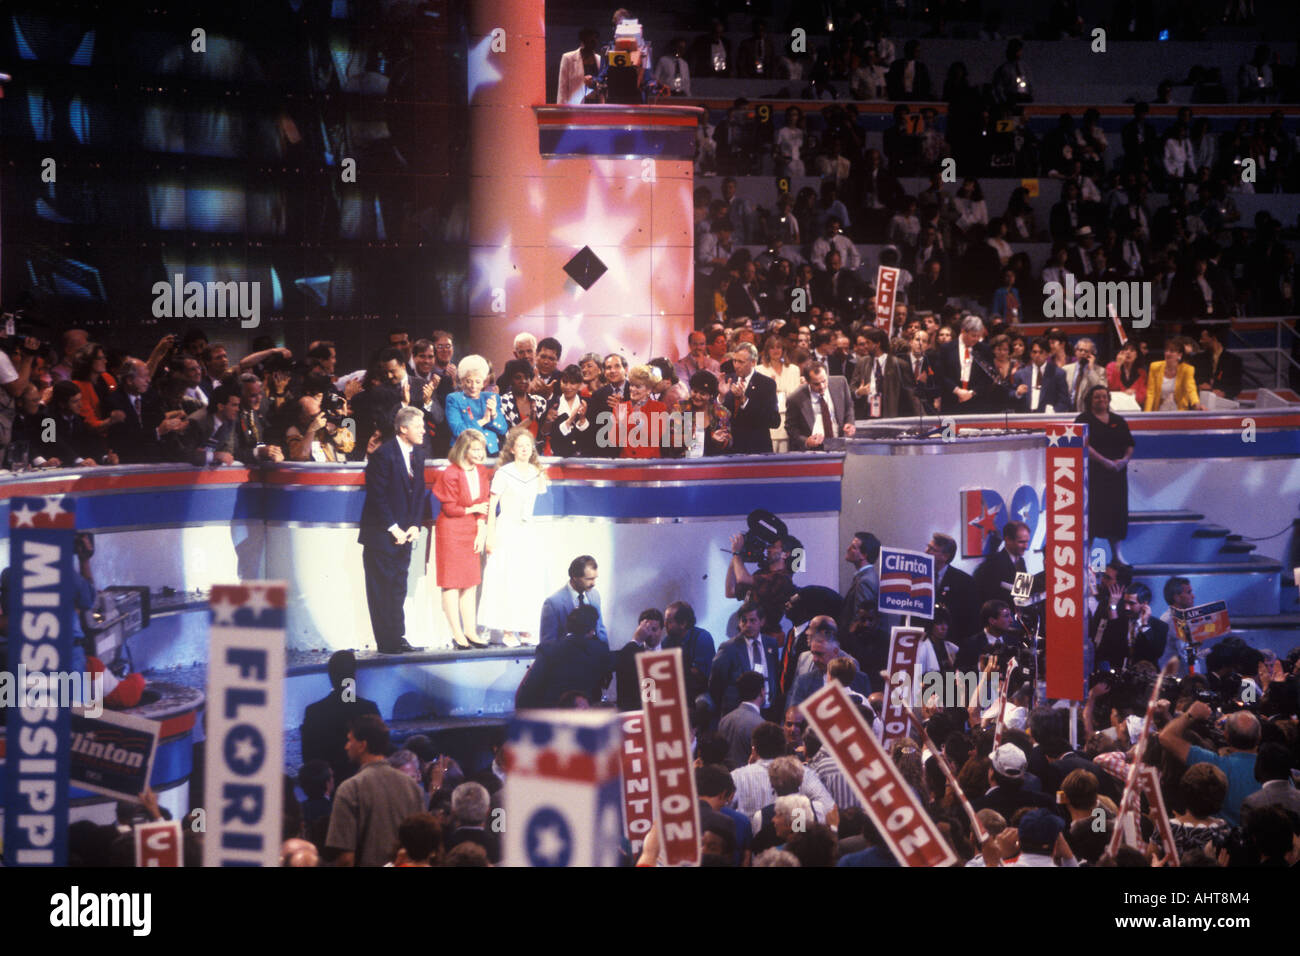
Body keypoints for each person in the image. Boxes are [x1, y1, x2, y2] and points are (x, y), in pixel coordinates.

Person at [357, 406, 431, 655]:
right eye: (419, 426)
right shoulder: (383, 455)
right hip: (381, 534)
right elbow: (377, 496)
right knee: (382, 588)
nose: (423, 430)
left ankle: (397, 638)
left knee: (398, 586)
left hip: (405, 533)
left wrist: (414, 525)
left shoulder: (417, 455)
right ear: (403, 428)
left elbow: (418, 492)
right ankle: (386, 643)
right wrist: (393, 528)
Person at [478, 426, 549, 647]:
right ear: (512, 449)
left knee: (526, 579)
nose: (525, 450)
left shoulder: (538, 474)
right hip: (506, 529)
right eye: (520, 446)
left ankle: (525, 628)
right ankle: (507, 629)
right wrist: (490, 536)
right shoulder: (503, 473)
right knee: (506, 578)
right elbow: (492, 507)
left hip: (527, 531)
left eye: (528, 446)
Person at [325, 715, 424, 867]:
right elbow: (422, 846)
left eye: (350, 740)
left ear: (362, 745)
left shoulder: (350, 789)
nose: (346, 746)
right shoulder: (412, 787)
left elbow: (346, 858)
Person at [1158, 700, 1262, 825]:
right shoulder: (1275, 773)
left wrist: (1190, 714)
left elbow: (1165, 736)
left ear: (1226, 735)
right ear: (1259, 737)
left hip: (1219, 841)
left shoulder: (1214, 765)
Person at [433, 429, 492, 649]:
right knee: (452, 583)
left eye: (481, 449)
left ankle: (470, 631)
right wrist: (473, 508)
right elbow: (449, 508)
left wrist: (480, 528)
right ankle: (457, 634)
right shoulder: (450, 473)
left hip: (471, 529)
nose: (479, 453)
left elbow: (484, 502)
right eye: (475, 449)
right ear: (463, 450)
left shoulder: (482, 471)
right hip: (451, 530)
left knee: (470, 582)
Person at [300, 651, 381, 787]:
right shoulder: (368, 708)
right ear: (354, 676)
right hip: (365, 783)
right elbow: (380, 752)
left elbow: (308, 758)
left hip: (327, 785)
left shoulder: (314, 712)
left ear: (330, 676)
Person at [1078, 385, 1135, 565]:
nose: (1101, 400)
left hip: (1117, 476)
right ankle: (1086, 556)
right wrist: (1104, 461)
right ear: (1090, 400)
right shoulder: (1083, 419)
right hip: (1095, 476)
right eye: (1097, 397)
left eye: (1104, 397)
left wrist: (1124, 461)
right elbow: (1083, 443)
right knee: (1094, 514)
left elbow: (1129, 443)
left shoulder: (1119, 420)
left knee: (1116, 514)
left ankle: (1117, 555)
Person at [515, 604, 612, 707]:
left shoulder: (548, 650)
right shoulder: (600, 651)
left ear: (568, 625)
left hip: (551, 716)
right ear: (592, 631)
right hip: (585, 717)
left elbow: (527, 693)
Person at [710, 601, 781, 720]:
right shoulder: (728, 648)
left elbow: (775, 674)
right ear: (739, 622)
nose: (748, 625)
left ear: (761, 622)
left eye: (752, 620)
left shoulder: (771, 644)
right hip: (739, 713)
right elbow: (715, 684)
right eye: (744, 620)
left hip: (768, 710)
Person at [719, 343, 779, 454]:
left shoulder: (767, 384)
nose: (736, 365)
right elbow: (717, 417)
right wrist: (721, 397)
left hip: (757, 450)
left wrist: (745, 401)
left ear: (753, 362)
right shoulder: (726, 381)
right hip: (730, 451)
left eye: (741, 362)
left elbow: (774, 421)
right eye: (734, 361)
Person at [445, 355, 509, 454]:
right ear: (462, 381)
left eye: (478, 382)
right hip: (464, 451)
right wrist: (483, 420)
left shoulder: (491, 397)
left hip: (490, 451)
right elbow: (458, 431)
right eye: (469, 381)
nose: (473, 386)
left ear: (484, 382)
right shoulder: (454, 399)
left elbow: (503, 429)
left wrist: (493, 415)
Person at [540, 555, 609, 647]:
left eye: (595, 578)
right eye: (589, 579)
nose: (594, 584)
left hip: (595, 658)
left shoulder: (594, 595)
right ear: (575, 577)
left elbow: (600, 629)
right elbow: (547, 645)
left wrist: (605, 655)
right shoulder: (553, 603)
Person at [785, 363, 856, 451]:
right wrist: (806, 441)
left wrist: (849, 422)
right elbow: (790, 428)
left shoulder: (841, 383)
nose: (822, 387)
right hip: (813, 450)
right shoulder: (795, 398)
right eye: (816, 384)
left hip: (840, 443)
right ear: (807, 382)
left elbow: (849, 406)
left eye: (824, 381)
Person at [662, 600, 715, 701]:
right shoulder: (667, 641)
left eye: (669, 621)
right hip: (680, 690)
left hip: (702, 691)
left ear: (683, 623)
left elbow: (699, 676)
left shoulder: (702, 637)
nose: (665, 625)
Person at [755, 335, 800, 452]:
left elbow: (794, 395)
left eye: (779, 347)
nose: (776, 350)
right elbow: (760, 397)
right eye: (772, 348)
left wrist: (775, 389)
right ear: (767, 351)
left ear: (783, 350)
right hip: (769, 420)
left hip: (789, 420)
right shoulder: (759, 370)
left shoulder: (794, 369)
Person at [614, 610, 665, 711]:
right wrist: (636, 639)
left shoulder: (672, 651)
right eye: (647, 630)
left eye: (654, 629)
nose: (650, 634)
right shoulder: (631, 654)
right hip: (639, 711)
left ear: (662, 630)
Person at [973, 520, 1031, 608]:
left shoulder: (1021, 561)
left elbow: (1022, 594)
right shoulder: (993, 563)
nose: (1026, 547)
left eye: (1027, 542)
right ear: (1008, 540)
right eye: (1021, 542)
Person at [1012, 336, 1069, 413]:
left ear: (1047, 354)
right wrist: (1017, 393)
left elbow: (1064, 401)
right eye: (1034, 352)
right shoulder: (1020, 374)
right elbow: (1010, 396)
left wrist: (1054, 412)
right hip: (1025, 418)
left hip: (1049, 418)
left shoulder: (1058, 374)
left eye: (1041, 352)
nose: (1037, 355)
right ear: (1030, 354)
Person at [840, 532, 880, 635]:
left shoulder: (865, 581)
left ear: (864, 555)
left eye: (853, 547)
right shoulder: (864, 577)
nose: (848, 549)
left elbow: (861, 619)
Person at [1144, 339, 1201, 411]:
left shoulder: (1187, 369)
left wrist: (1196, 403)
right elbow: (1150, 393)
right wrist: (1147, 413)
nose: (1167, 353)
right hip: (1159, 410)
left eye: (1172, 351)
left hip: (1179, 411)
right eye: (1166, 351)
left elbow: (1191, 389)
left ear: (1179, 355)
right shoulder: (1154, 367)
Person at [1192, 324, 1244, 400]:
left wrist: (1224, 393)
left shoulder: (1234, 360)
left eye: (1203, 338)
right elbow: (1190, 383)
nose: (1200, 341)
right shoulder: (1197, 359)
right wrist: (1198, 386)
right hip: (1202, 401)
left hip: (1224, 403)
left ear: (1213, 338)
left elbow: (1237, 387)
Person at [557, 28, 602, 105]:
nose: (594, 43)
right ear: (583, 41)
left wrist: (595, 84)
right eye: (591, 40)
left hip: (596, 105)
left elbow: (602, 84)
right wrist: (560, 110)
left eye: (595, 40)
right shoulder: (568, 58)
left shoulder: (599, 59)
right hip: (575, 105)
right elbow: (562, 87)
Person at [1106, 340, 1147, 408]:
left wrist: (1134, 394)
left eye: (1132, 350)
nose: (1128, 352)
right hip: (1114, 407)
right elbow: (1111, 388)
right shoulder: (1111, 366)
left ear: (1137, 355)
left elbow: (1143, 396)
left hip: (1134, 408)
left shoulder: (1141, 372)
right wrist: (1118, 366)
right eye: (1125, 349)